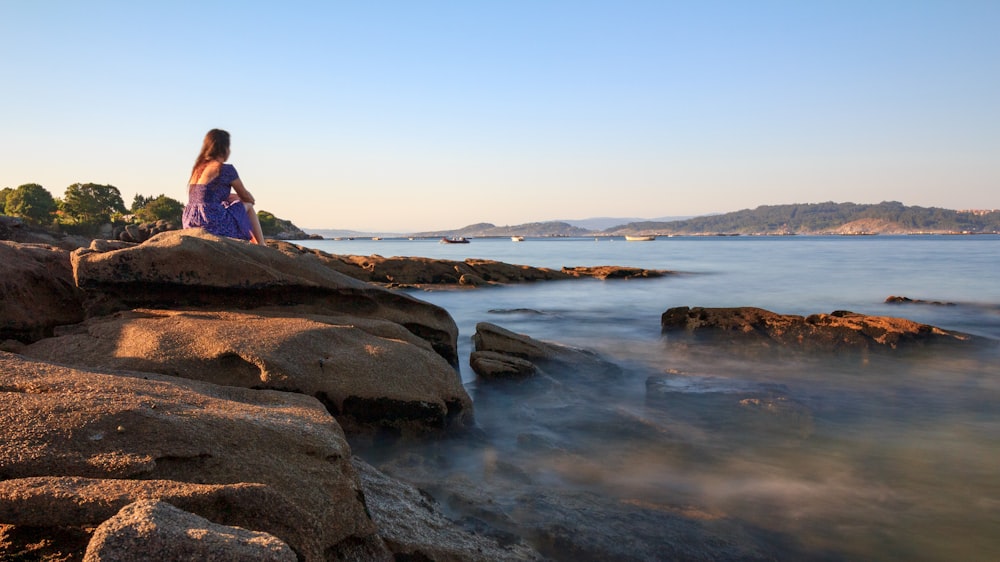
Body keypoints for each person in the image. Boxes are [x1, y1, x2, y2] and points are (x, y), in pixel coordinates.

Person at [182, 129, 265, 245]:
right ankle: (262, 245)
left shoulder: (198, 169)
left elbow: (204, 195)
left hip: (190, 220)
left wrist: (235, 197)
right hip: (211, 220)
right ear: (224, 149)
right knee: (249, 206)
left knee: (230, 203)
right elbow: (247, 197)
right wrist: (246, 197)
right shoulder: (225, 169)